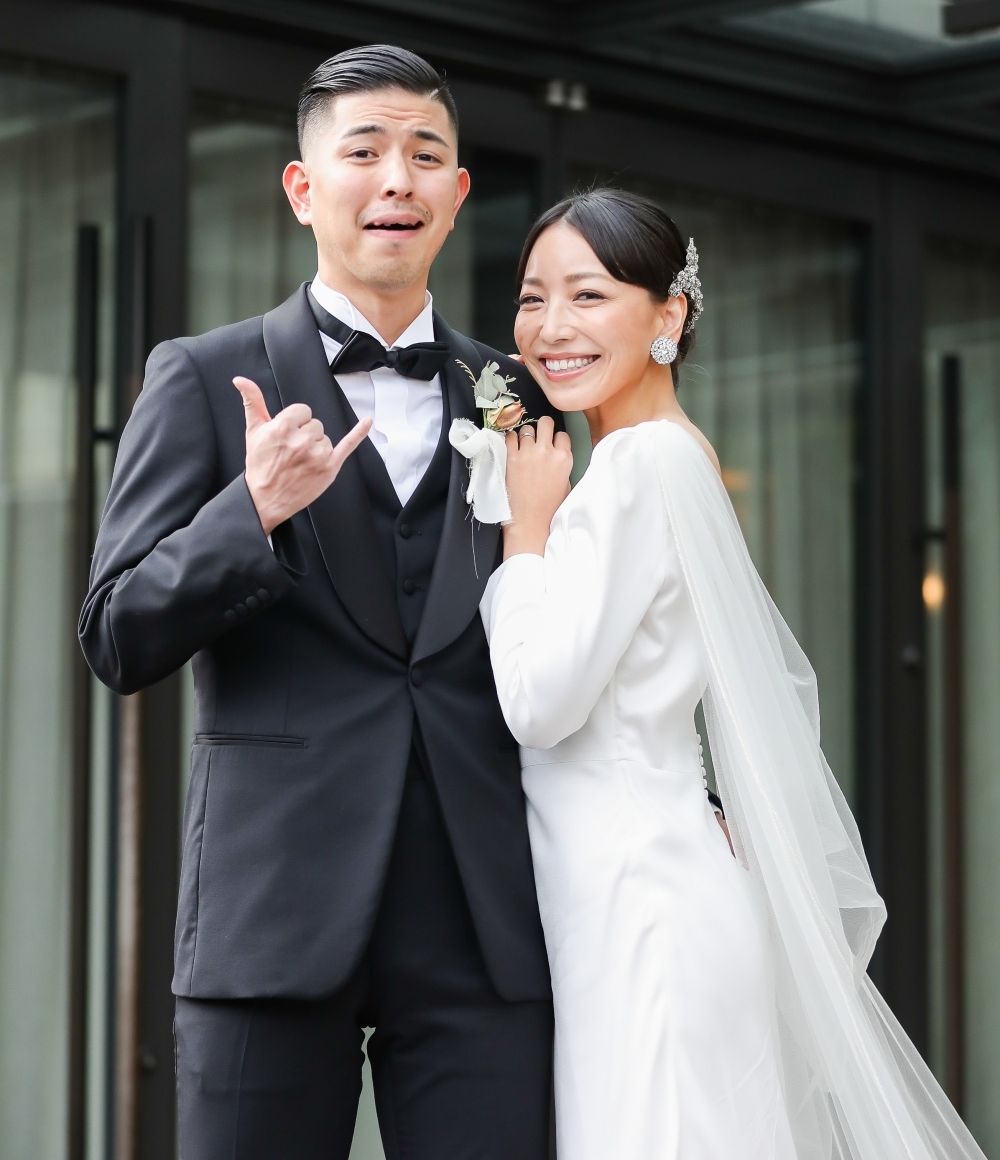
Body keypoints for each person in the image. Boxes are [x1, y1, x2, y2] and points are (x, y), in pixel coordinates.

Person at [80, 45, 562, 1160]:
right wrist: (248, 513)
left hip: (483, 915)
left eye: (425, 155)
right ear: (303, 189)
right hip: (272, 910)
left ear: (457, 195)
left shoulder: (515, 393)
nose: (397, 178)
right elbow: (115, 633)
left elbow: (574, 620)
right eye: (365, 151)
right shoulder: (202, 376)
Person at [481, 187, 989, 1160]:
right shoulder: (673, 456)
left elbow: (540, 703)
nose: (549, 327)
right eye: (532, 297)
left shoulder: (635, 467)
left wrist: (524, 537)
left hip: (640, 904)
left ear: (667, 315)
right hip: (646, 882)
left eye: (587, 295)